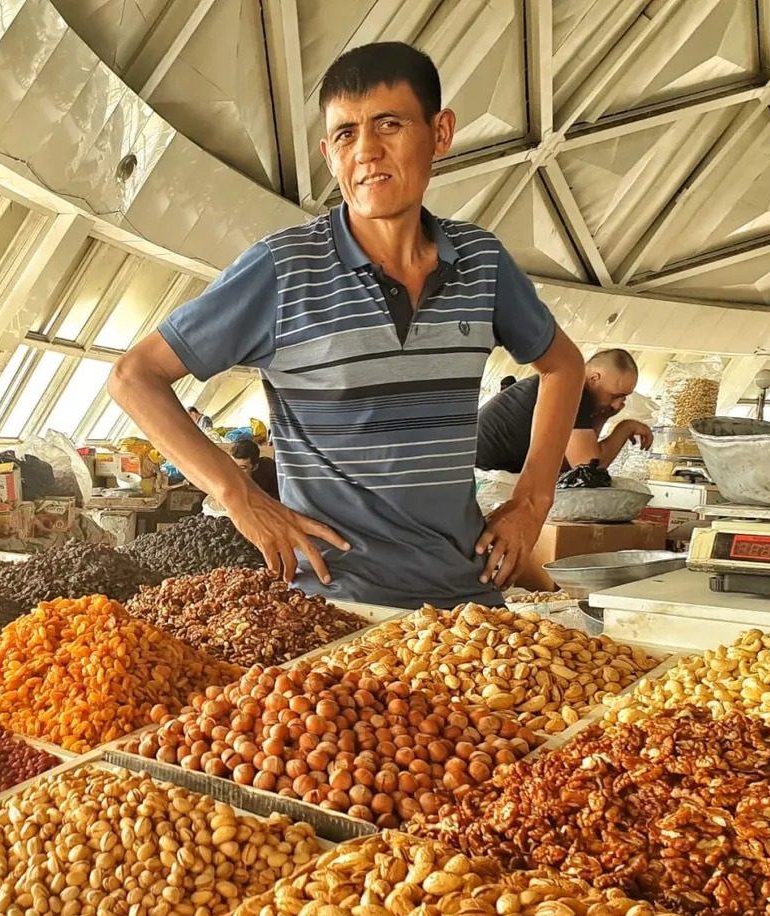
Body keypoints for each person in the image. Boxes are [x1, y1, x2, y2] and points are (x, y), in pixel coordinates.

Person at [106, 42, 586, 605]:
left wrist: (532, 503)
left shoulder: (482, 262)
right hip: (335, 609)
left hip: (467, 605)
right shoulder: (283, 270)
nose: (367, 152)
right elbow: (135, 376)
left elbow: (564, 365)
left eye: (389, 124)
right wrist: (239, 497)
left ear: (441, 132)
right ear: (329, 155)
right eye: (345, 134)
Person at [476, 348, 649, 473]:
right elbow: (589, 468)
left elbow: (570, 462)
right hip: (478, 472)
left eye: (624, 396)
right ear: (594, 378)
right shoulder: (572, 391)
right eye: (615, 395)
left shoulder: (573, 386)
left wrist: (602, 416)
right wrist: (625, 428)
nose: (619, 403)